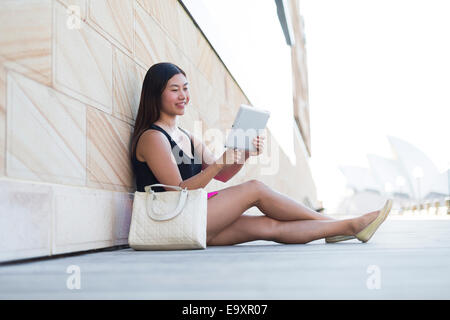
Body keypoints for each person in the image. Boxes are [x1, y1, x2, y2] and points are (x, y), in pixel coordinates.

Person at [130, 62, 392, 246]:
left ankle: (347, 228)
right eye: (174, 89)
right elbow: (177, 191)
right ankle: (343, 223)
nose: (183, 96)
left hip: (194, 222)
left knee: (269, 227)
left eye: (185, 88)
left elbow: (221, 175)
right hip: (174, 220)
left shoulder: (187, 136)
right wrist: (220, 161)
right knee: (255, 188)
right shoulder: (153, 138)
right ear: (157, 94)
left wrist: (245, 154)